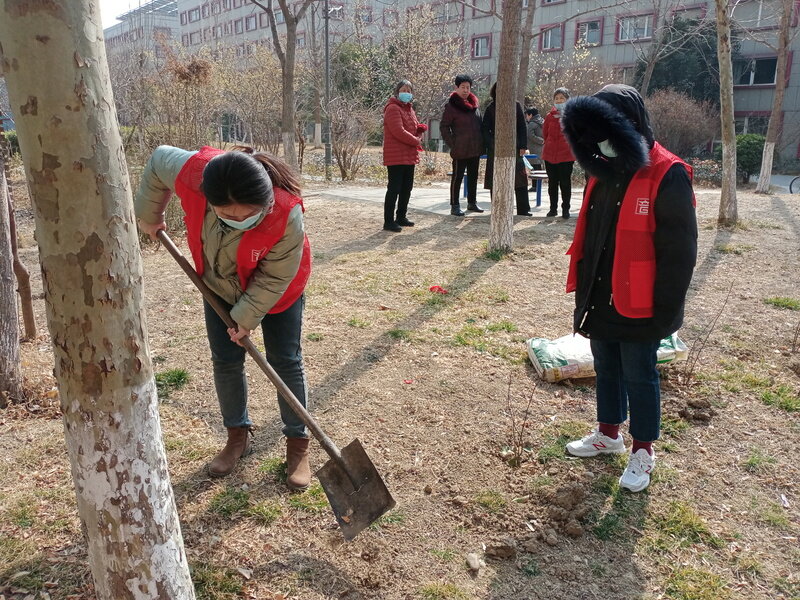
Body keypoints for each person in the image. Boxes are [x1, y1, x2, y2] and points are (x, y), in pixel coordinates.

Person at [135, 144, 314, 491]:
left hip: (279, 290)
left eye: (245, 216)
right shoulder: (195, 173)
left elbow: (274, 277)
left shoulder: (286, 213)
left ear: (264, 203)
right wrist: (150, 214)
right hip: (216, 285)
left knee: (285, 360)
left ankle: (297, 443)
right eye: (225, 215)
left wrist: (246, 316)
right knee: (226, 361)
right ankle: (237, 436)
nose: (236, 221)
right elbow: (158, 160)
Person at [560, 84, 698, 492]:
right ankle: (608, 433)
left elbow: (680, 251)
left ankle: (643, 451)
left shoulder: (668, 172)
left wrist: (665, 311)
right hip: (601, 292)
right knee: (606, 366)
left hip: (643, 300)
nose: (599, 141)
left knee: (640, 374)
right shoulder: (601, 169)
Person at [382, 79, 427, 232]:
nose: (406, 93)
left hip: (409, 154)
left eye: (409, 90)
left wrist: (419, 129)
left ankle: (401, 216)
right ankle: (388, 221)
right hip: (396, 155)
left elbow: (410, 127)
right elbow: (398, 131)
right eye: (403, 90)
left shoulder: (409, 109)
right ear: (397, 92)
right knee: (394, 188)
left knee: (407, 188)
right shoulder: (392, 108)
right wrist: (415, 140)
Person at [481, 82, 532, 216]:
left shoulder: (515, 106)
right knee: (495, 180)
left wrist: (522, 146)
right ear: (495, 91)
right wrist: (492, 144)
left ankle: (523, 209)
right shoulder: (491, 108)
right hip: (495, 149)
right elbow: (485, 130)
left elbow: (522, 126)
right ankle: (498, 210)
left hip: (515, 147)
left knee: (520, 180)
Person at [440, 74, 484, 216]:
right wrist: (454, 144)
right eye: (463, 87)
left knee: (473, 176)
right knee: (457, 177)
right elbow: (444, 127)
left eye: (468, 87)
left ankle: (472, 203)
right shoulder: (451, 106)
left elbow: (480, 124)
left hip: (475, 148)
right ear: (456, 88)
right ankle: (455, 205)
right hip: (460, 149)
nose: (465, 90)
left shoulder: (475, 106)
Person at [542, 87, 576, 218]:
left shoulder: (572, 116)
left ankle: (565, 209)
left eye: (562, 98)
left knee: (565, 183)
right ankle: (553, 208)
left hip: (566, 156)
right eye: (557, 98)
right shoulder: (549, 117)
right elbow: (545, 134)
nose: (559, 100)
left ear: (567, 100)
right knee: (552, 183)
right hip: (550, 155)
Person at [525, 108, 545, 174]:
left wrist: (540, 140)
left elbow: (530, 135)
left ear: (530, 115)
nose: (526, 117)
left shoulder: (532, 124)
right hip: (542, 148)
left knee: (534, 170)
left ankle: (535, 184)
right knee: (539, 169)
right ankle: (538, 184)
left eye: (527, 115)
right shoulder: (543, 121)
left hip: (533, 149)